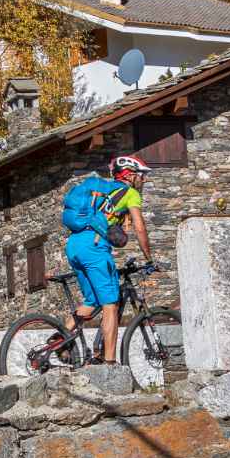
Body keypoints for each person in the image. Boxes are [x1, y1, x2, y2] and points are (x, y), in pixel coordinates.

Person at [63, 154, 154, 365]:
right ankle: (110, 364)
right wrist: (149, 258)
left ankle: (58, 339)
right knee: (110, 305)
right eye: (141, 176)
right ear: (130, 176)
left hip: (74, 245)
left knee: (91, 301)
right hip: (94, 247)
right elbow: (140, 228)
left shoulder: (102, 190)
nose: (144, 181)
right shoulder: (130, 194)